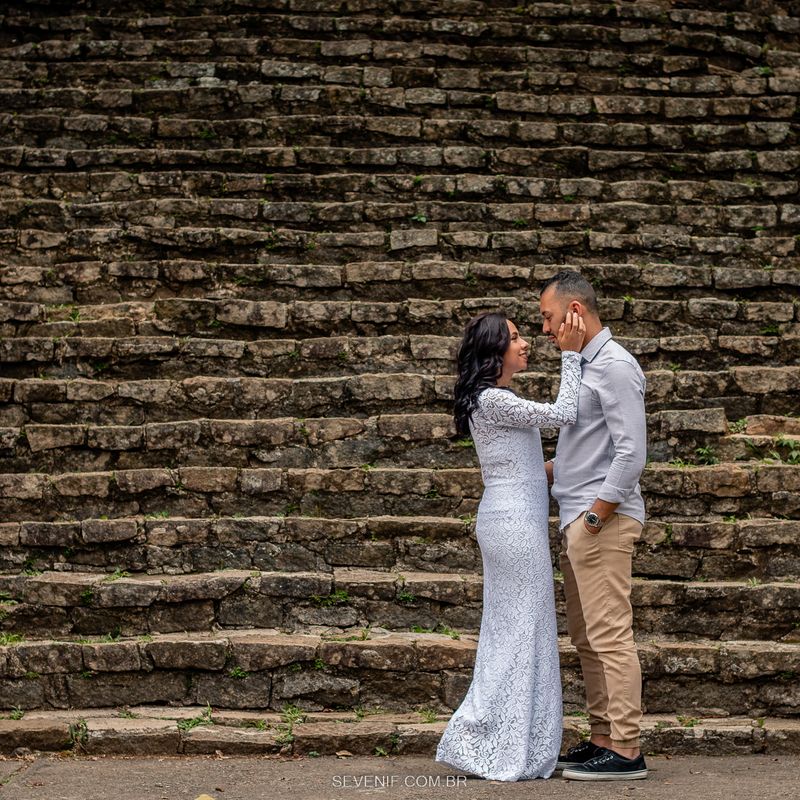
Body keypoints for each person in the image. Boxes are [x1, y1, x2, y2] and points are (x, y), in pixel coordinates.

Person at [435, 309, 586, 781]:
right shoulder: (493, 399)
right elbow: (565, 413)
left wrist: (586, 459)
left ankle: (509, 738)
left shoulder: (495, 400)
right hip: (513, 526)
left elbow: (529, 471)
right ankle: (487, 738)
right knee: (521, 630)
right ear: (495, 350)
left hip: (512, 518)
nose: (526, 344)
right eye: (517, 338)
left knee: (521, 628)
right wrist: (572, 355)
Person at [539, 270, 648, 781]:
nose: (545, 329)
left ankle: (627, 749)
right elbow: (585, 446)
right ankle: (602, 736)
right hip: (578, 518)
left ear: (575, 312)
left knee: (610, 636)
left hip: (601, 520)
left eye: (548, 317)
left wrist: (595, 516)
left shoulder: (616, 366)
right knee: (587, 638)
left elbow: (630, 454)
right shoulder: (582, 366)